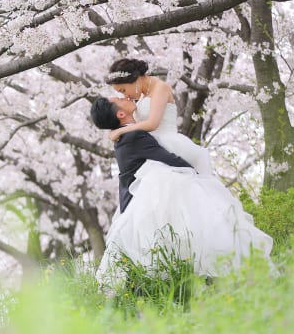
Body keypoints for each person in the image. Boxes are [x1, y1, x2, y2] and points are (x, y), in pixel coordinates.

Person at [90, 96, 273, 288]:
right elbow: (167, 158)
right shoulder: (134, 136)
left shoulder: (122, 136)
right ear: (121, 113)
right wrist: (195, 173)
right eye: (119, 98)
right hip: (150, 196)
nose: (124, 96)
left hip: (137, 198)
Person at [105, 58, 213, 175]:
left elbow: (152, 123)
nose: (125, 95)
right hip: (151, 149)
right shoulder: (142, 95)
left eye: (123, 90)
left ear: (133, 79)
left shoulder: (160, 87)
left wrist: (121, 130)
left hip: (169, 146)